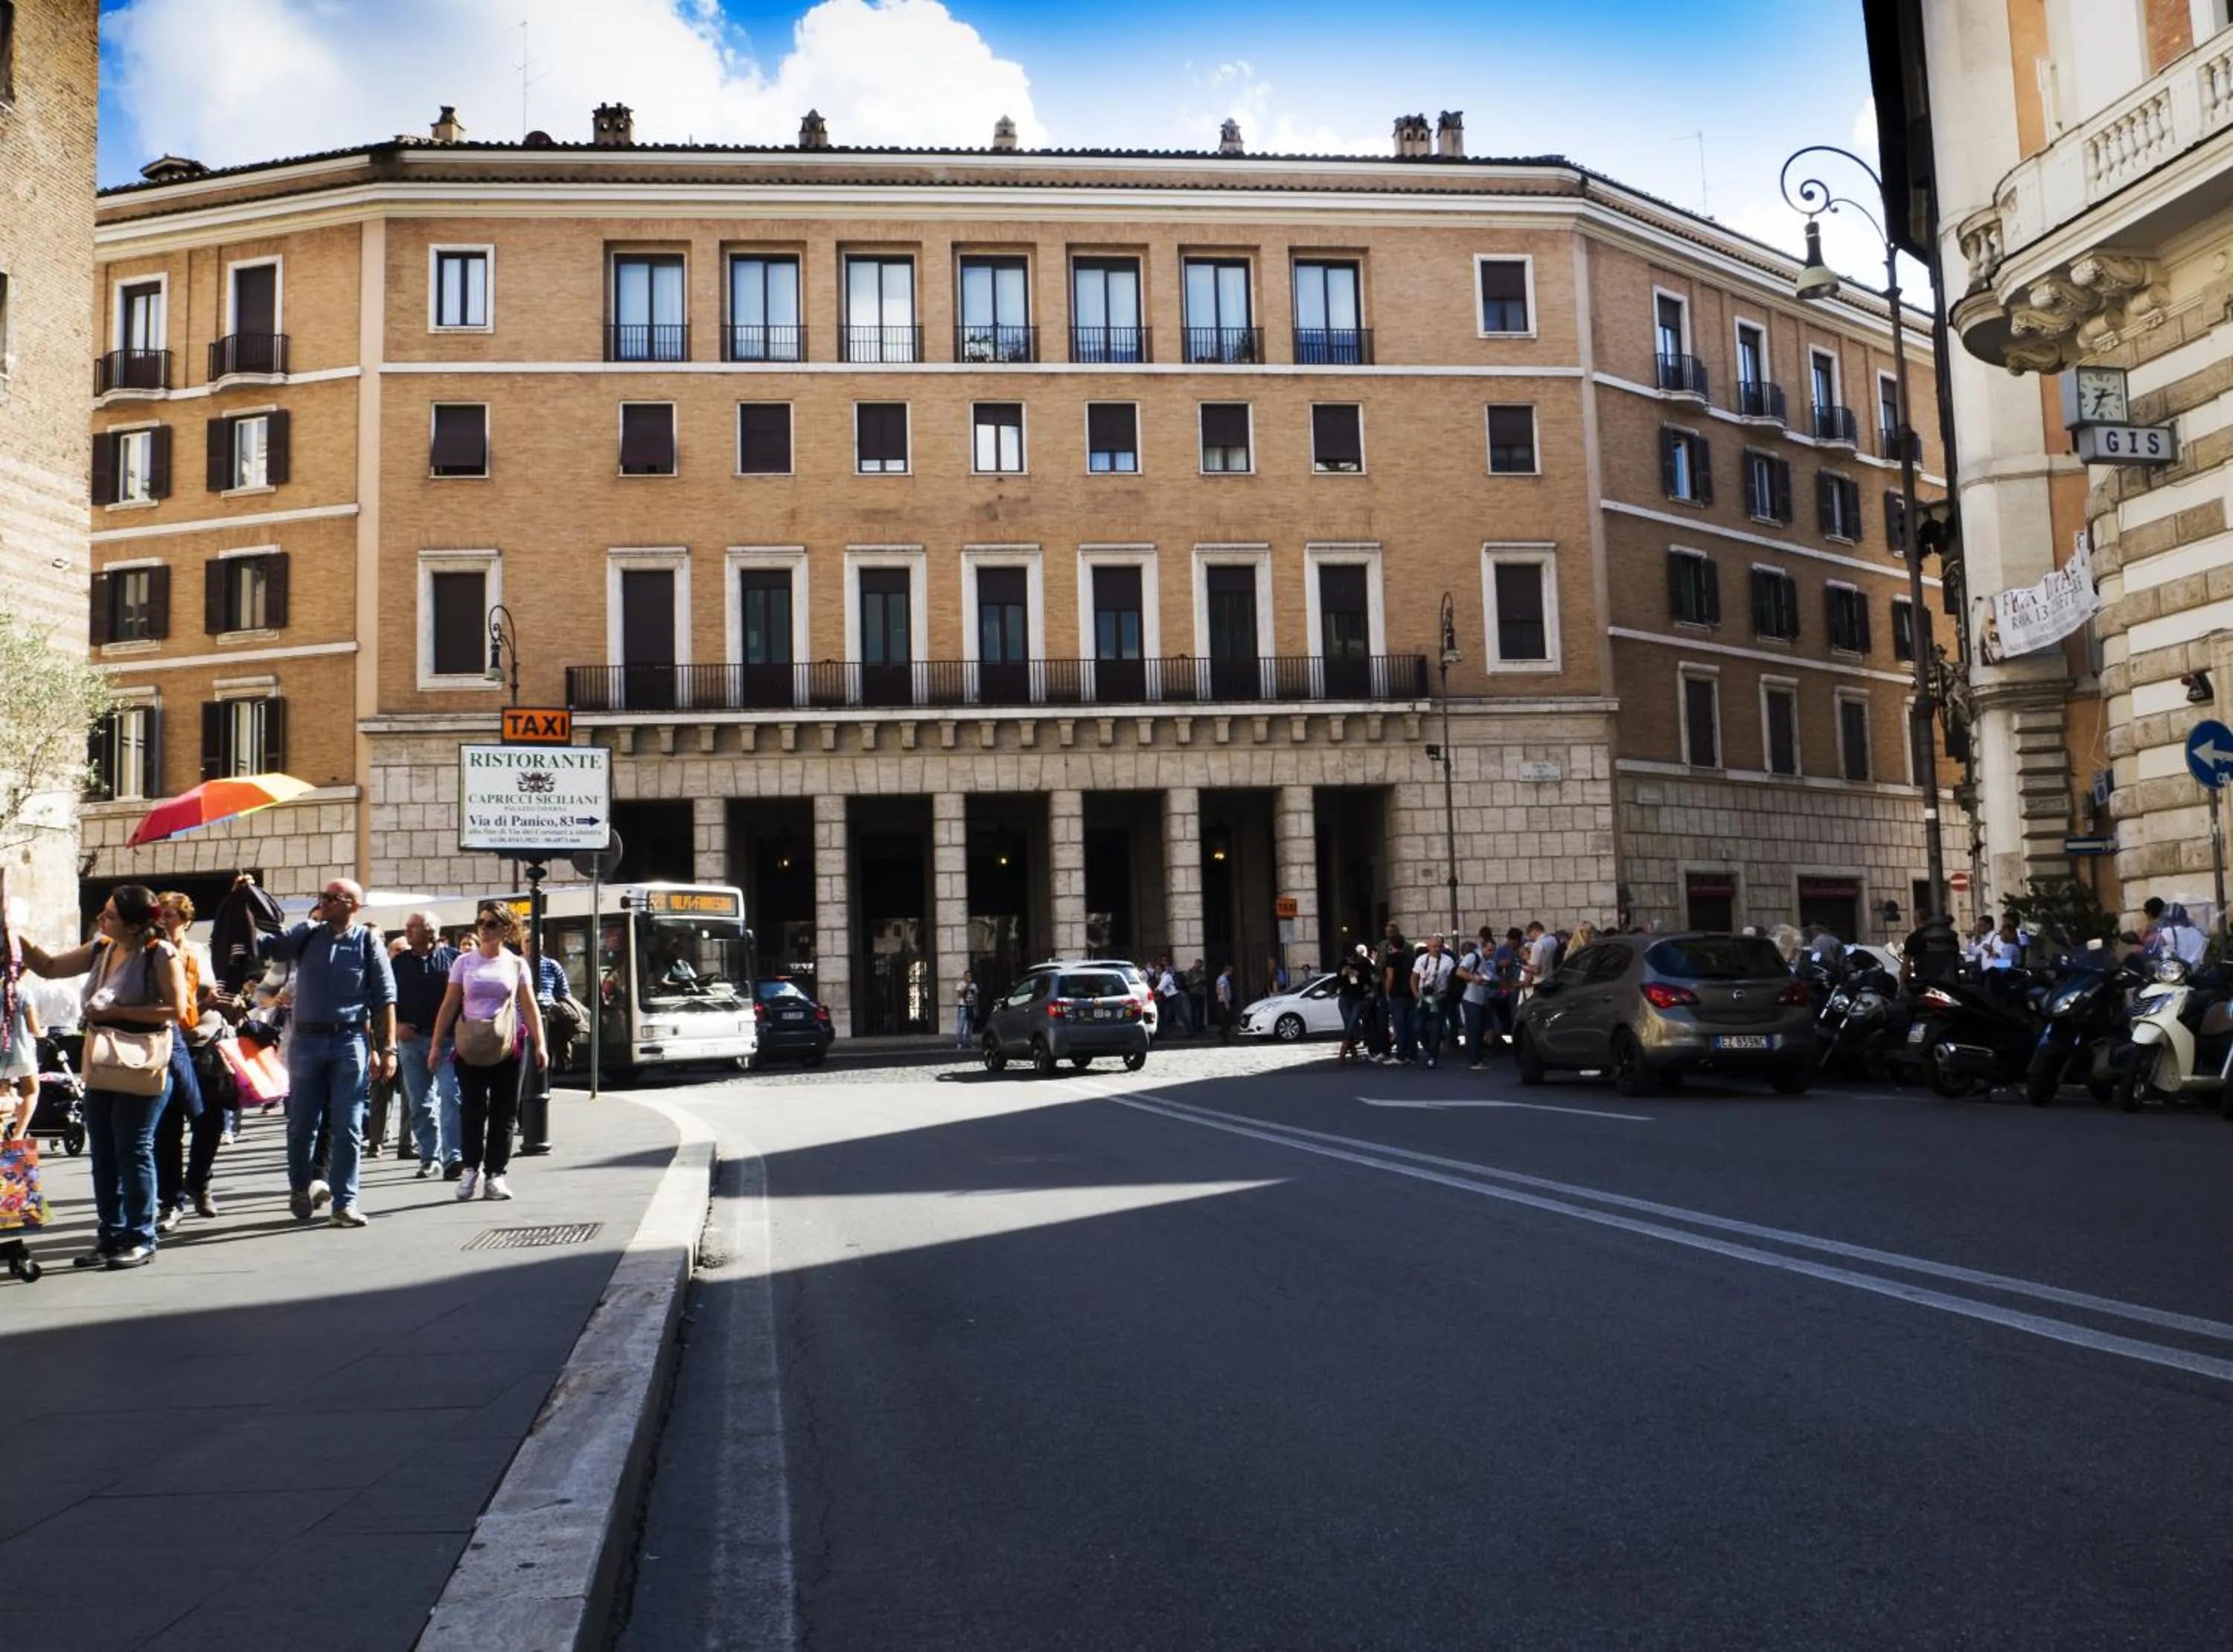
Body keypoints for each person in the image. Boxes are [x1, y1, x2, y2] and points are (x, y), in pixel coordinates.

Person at [22, 886, 190, 1270]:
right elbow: (48, 967)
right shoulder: (102, 948)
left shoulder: (159, 954)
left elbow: (176, 1010)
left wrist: (115, 1012)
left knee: (133, 1150)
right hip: (101, 1060)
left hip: (142, 1062)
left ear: (133, 925)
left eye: (110, 916)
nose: (102, 919)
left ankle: (140, 1237)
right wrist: (14, 933)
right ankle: (111, 1235)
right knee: (104, 1155)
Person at [258, 878, 397, 1229]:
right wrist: (252, 901)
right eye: (322, 896)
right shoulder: (307, 935)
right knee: (302, 1122)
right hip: (305, 1041)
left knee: (349, 1126)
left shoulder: (368, 943)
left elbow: (385, 1000)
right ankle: (299, 1187)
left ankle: (345, 1202)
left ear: (354, 905)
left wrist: (388, 1048)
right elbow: (274, 949)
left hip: (348, 1041)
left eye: (332, 898)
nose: (325, 902)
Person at [429, 903, 547, 1202]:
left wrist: (540, 1043)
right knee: (471, 1110)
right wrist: (435, 1044)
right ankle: (471, 1170)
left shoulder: (517, 964)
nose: (484, 927)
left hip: (508, 1045)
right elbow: (449, 1003)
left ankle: (496, 1175)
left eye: (492, 923)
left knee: (504, 1113)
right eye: (481, 922)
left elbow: (529, 1005)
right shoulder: (464, 963)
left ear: (506, 929)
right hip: (469, 1046)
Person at [152, 891, 224, 1230]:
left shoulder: (199, 952)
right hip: (165, 1044)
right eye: (160, 914)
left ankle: (199, 1180)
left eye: (172, 915)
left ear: (186, 920)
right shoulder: (148, 953)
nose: (165, 920)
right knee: (167, 1128)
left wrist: (210, 1000)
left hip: (201, 1042)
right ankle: (170, 1201)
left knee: (211, 1119)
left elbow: (209, 990)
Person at [390, 912, 460, 1179]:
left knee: (451, 1095)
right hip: (412, 1041)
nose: (407, 930)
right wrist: (396, 1027)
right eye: (407, 926)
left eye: (414, 926)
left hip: (447, 1041)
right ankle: (429, 1156)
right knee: (420, 1102)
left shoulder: (454, 959)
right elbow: (385, 1001)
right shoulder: (399, 963)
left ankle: (454, 1156)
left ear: (431, 932)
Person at [1411, 935, 1456, 1069]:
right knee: (1418, 1027)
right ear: (1428, 947)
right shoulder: (1421, 959)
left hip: (1438, 998)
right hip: (1422, 997)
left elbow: (1452, 982)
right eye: (1433, 947)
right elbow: (1414, 977)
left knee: (1436, 1029)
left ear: (1442, 947)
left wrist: (1445, 994)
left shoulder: (1448, 961)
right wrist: (1415, 992)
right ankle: (1428, 1048)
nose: (1436, 949)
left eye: (1439, 947)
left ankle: (1433, 1056)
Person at [1379, 922, 1417, 1064]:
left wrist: (1388, 992)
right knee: (1410, 1027)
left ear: (1392, 945)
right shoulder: (1411, 958)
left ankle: (1400, 1056)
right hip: (1410, 994)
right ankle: (1412, 1055)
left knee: (1399, 1027)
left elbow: (1390, 978)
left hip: (1397, 995)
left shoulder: (1392, 958)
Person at [1457, 926, 1495, 1069]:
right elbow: (1460, 972)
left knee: (1479, 1029)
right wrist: (1474, 978)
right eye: (1489, 950)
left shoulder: (1484, 960)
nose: (1492, 953)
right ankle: (1475, 1060)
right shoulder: (1473, 957)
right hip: (1470, 997)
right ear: (1483, 948)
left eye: (1493, 950)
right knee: (1473, 1029)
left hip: (1479, 998)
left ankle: (1478, 1058)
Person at [1335, 943, 1375, 1065]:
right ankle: (1354, 1055)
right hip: (1345, 997)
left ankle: (1341, 1056)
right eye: (1347, 959)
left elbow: (1370, 980)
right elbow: (1337, 982)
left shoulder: (1364, 963)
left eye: (1351, 959)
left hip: (1359, 998)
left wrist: (1360, 976)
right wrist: (1342, 974)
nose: (1349, 961)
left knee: (1352, 1023)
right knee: (1348, 1024)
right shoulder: (1342, 963)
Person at [1900, 912, 1963, 987]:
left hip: (1925, 986)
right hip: (1951, 986)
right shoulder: (1950, 936)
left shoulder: (1914, 938)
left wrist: (1902, 987)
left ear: (1916, 920)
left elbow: (1906, 966)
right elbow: (1957, 960)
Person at [955, 967, 979, 1049]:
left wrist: (976, 1009)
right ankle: (960, 1042)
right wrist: (967, 986)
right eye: (967, 976)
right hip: (963, 1007)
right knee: (961, 1025)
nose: (968, 977)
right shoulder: (960, 985)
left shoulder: (974, 986)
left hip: (971, 1007)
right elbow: (960, 995)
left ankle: (969, 1042)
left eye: (970, 976)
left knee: (970, 1026)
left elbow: (976, 998)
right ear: (964, 977)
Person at [1214, 962, 1237, 1044]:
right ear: (1227, 971)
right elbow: (1221, 991)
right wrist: (1226, 1003)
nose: (1232, 973)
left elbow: (1217, 990)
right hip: (1224, 1002)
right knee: (1227, 1020)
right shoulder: (1222, 979)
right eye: (1231, 971)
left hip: (1224, 1001)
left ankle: (1224, 1036)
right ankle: (1223, 1035)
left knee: (1227, 1020)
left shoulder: (1223, 979)